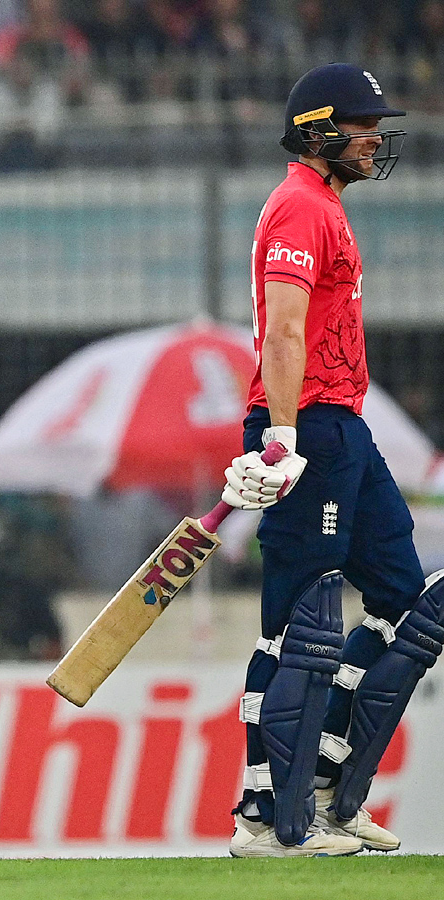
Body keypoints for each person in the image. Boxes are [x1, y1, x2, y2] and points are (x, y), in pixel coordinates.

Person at [220, 63, 436, 858]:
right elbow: (283, 331)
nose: (375, 138)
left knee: (408, 602)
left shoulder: (325, 203)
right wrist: (280, 436)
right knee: (299, 619)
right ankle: (264, 816)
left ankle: (327, 787)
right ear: (317, 130)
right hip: (305, 424)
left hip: (341, 423)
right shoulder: (299, 207)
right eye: (362, 123)